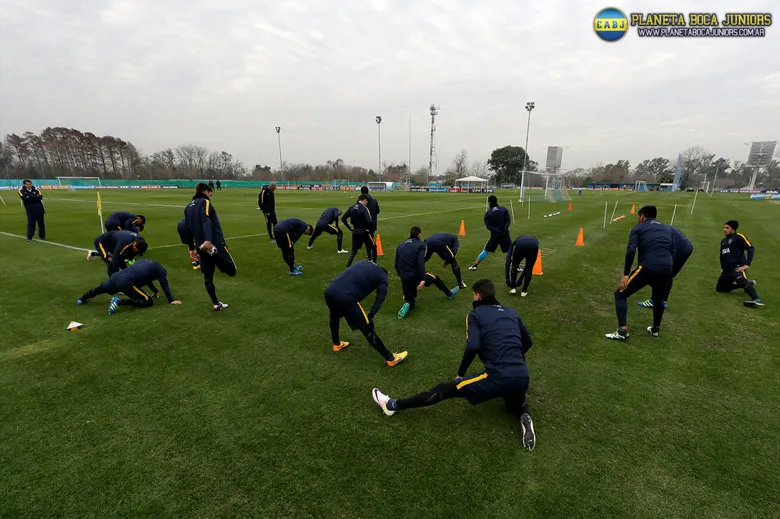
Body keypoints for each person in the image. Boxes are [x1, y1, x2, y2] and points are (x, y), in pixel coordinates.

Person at [371, 279, 536, 451]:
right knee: (513, 404)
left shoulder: (475, 314)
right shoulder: (511, 312)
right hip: (522, 375)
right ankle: (524, 414)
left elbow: (473, 346)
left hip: (498, 375)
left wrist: (461, 373)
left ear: (477, 296)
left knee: (446, 388)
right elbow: (528, 341)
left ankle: (391, 405)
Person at [605, 205, 674, 340]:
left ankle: (622, 331)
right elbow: (672, 249)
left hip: (648, 266)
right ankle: (655, 329)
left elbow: (631, 250)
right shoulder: (667, 228)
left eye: (638, 217)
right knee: (658, 298)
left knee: (620, 294)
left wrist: (626, 274)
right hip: (667, 266)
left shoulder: (638, 228)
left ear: (642, 216)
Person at [324, 260, 407, 366]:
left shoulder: (365, 262)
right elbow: (380, 297)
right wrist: (371, 315)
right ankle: (391, 359)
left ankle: (336, 344)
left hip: (330, 291)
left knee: (334, 317)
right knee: (367, 328)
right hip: (346, 297)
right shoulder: (383, 277)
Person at [184, 182, 236, 311]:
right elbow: (205, 219)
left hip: (200, 247)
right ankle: (214, 253)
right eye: (210, 194)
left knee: (208, 277)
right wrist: (208, 240)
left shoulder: (187, 208)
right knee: (232, 270)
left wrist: (192, 248)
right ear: (206, 192)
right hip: (214, 243)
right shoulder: (205, 202)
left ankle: (216, 304)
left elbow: (186, 229)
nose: (210, 197)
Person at [395, 226, 459, 319]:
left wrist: (402, 276)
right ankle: (449, 294)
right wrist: (422, 279)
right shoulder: (421, 245)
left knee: (411, 300)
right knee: (434, 278)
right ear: (419, 235)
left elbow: (396, 264)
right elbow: (420, 261)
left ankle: (408, 304)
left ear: (410, 234)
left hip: (404, 276)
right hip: (415, 275)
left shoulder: (401, 245)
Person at [77, 259, 182, 314]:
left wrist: (155, 291)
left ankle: (82, 298)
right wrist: (171, 300)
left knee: (100, 289)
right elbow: (164, 284)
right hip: (126, 282)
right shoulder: (161, 272)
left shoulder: (144, 262)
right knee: (148, 302)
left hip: (117, 276)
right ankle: (119, 302)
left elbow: (148, 279)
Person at [637, 225, 693, 309]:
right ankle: (662, 301)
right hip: (686, 246)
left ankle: (655, 301)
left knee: (662, 273)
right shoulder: (656, 228)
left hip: (679, 248)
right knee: (667, 275)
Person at [716, 220, 764, 307]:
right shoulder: (724, 241)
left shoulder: (739, 237)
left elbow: (751, 248)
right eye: (724, 227)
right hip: (727, 270)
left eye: (727, 228)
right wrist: (722, 267)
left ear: (733, 229)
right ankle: (748, 284)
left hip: (737, 267)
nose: (724, 229)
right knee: (720, 289)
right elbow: (722, 255)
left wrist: (747, 264)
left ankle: (756, 299)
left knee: (743, 282)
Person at [469, 195, 511, 270]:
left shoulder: (488, 213)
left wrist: (496, 230)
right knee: (510, 250)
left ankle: (475, 265)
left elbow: (488, 226)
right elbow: (508, 220)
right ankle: (517, 266)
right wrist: (504, 229)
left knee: (486, 250)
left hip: (495, 235)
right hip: (505, 234)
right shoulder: (504, 209)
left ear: (489, 202)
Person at [342, 195, 376, 266]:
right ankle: (374, 263)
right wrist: (369, 229)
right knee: (373, 246)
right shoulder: (364, 208)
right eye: (367, 201)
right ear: (364, 200)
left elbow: (343, 218)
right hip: (364, 231)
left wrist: (350, 228)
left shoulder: (351, 208)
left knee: (354, 251)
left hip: (355, 231)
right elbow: (369, 221)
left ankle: (348, 266)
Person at [359, 186, 380, 256]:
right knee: (371, 238)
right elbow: (378, 211)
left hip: (364, 223)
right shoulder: (374, 200)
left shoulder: (360, 201)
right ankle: (371, 253)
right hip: (373, 223)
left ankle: (369, 255)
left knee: (366, 239)